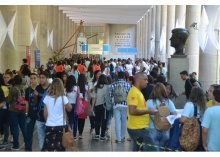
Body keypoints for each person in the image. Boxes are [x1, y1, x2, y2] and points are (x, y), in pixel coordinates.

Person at [127, 72, 158, 151]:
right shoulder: (134, 92)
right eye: (145, 79)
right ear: (137, 80)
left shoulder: (138, 92)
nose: (147, 82)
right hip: (139, 128)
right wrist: (148, 111)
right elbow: (132, 111)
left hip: (139, 127)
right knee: (153, 150)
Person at [42, 78, 72, 151]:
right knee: (60, 148)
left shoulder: (47, 97)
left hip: (49, 125)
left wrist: (49, 120)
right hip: (61, 126)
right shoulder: (63, 98)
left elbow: (45, 114)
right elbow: (70, 108)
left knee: (48, 148)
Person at [146, 83, 177, 151]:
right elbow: (175, 115)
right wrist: (170, 123)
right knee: (162, 149)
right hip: (165, 130)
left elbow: (144, 113)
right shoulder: (169, 102)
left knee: (155, 150)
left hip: (152, 129)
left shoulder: (149, 102)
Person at [179, 87, 207, 151]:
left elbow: (183, 120)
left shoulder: (189, 104)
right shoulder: (205, 106)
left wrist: (178, 120)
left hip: (191, 132)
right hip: (201, 133)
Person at [7, 75, 27, 151]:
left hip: (14, 110)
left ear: (14, 81)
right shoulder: (24, 88)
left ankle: (16, 145)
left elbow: (9, 101)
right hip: (23, 110)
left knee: (15, 128)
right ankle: (27, 143)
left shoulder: (12, 89)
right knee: (24, 127)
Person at [110, 72, 131, 144]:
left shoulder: (113, 85)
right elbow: (129, 95)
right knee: (124, 122)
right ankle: (122, 137)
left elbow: (110, 95)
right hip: (125, 105)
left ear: (117, 76)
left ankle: (118, 139)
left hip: (116, 106)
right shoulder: (127, 85)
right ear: (124, 77)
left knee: (117, 122)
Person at [33, 71, 50, 151]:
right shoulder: (38, 88)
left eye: (43, 78)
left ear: (47, 78)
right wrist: (35, 96)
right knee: (40, 138)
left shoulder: (51, 88)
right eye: (40, 78)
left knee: (49, 138)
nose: (41, 79)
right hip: (39, 117)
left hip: (49, 118)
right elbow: (35, 103)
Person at [92, 74, 111, 141]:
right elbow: (108, 97)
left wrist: (92, 107)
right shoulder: (107, 87)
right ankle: (102, 136)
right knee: (104, 121)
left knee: (97, 120)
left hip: (97, 106)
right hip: (104, 106)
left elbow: (93, 98)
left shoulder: (96, 87)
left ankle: (97, 135)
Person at [202, 85, 220, 151]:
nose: (208, 93)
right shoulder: (208, 106)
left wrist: (204, 144)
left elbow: (204, 131)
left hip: (213, 146)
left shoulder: (209, 111)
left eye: (211, 91)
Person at [25, 73, 39, 151]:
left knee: (41, 133)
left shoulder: (40, 89)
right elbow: (27, 102)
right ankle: (28, 149)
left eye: (34, 78)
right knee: (29, 133)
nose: (33, 80)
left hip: (39, 114)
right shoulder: (28, 90)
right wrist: (26, 113)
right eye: (31, 78)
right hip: (30, 114)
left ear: (37, 79)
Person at [65, 75, 78, 140]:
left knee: (70, 120)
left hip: (68, 105)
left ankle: (70, 135)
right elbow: (80, 96)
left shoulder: (66, 88)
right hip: (75, 106)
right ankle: (75, 136)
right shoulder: (77, 88)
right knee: (75, 121)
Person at [77, 74, 89, 139]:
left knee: (78, 118)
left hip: (78, 104)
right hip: (85, 104)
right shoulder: (86, 87)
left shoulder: (76, 87)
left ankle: (78, 130)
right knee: (83, 119)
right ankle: (81, 133)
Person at [0, 74, 9, 150]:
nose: (6, 79)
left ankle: (4, 139)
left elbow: (3, 102)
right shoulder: (4, 88)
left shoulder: (2, 88)